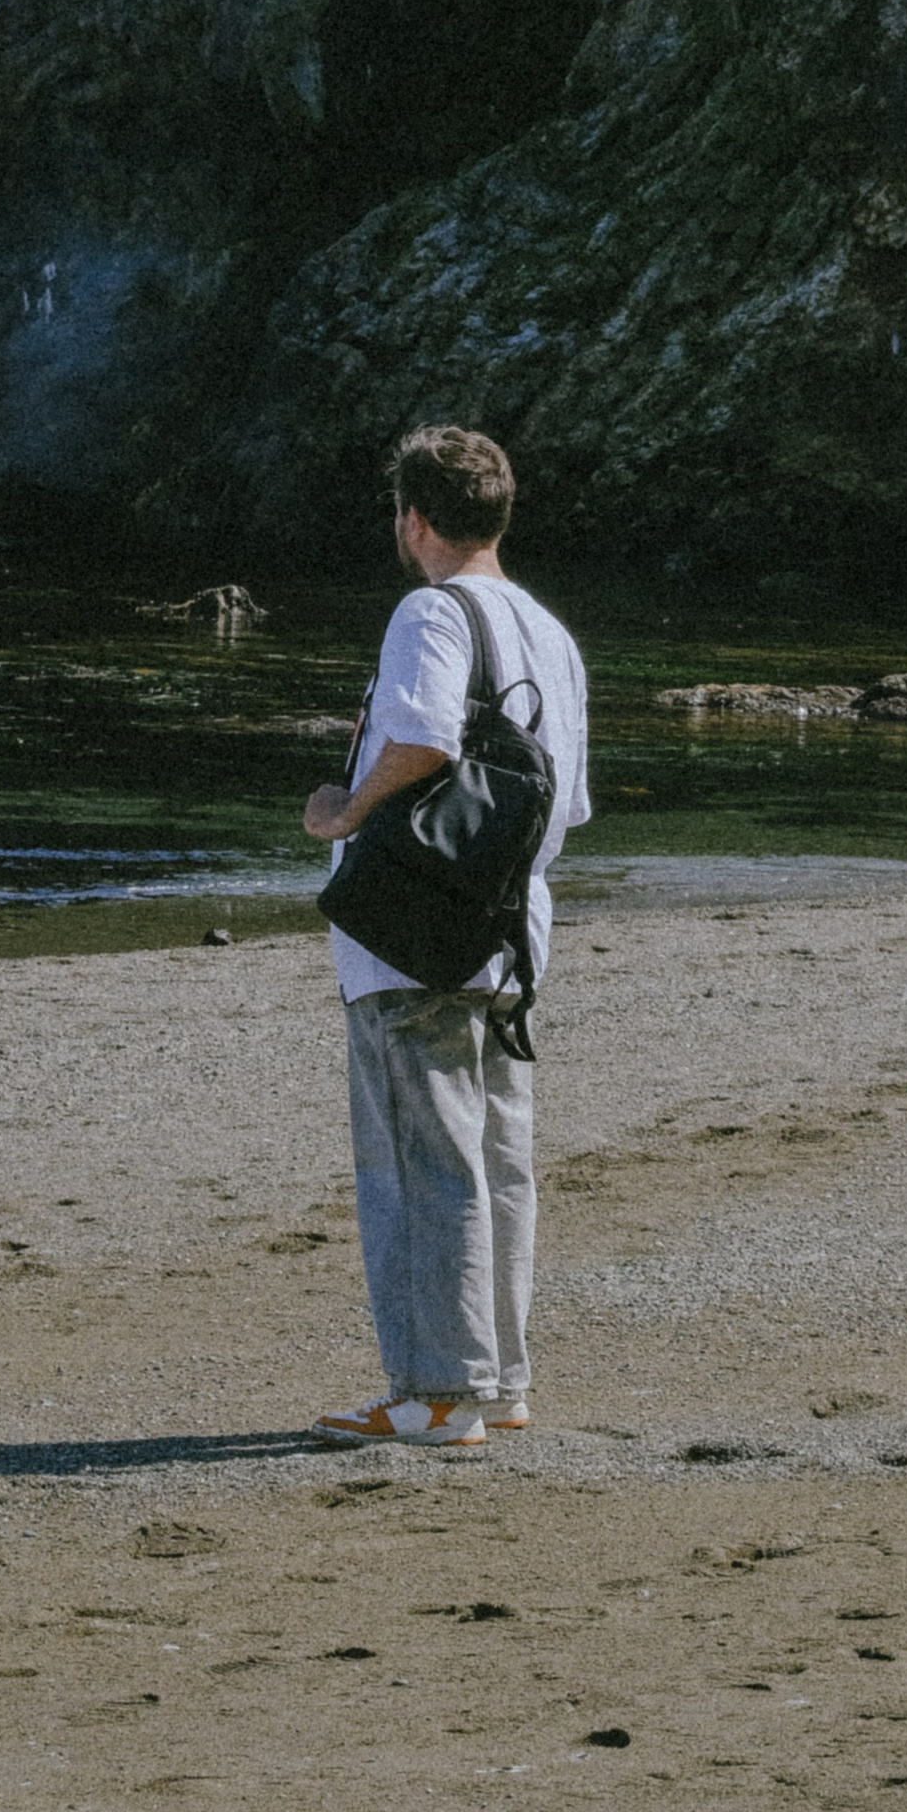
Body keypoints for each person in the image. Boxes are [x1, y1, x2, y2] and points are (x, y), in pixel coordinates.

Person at [300, 422, 591, 1447]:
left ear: (413, 520)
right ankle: (499, 1382)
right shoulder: (547, 632)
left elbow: (422, 736)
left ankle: (436, 1390)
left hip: (414, 931)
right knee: (496, 1159)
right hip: (512, 929)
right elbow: (569, 804)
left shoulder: (429, 610)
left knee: (421, 1160)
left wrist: (343, 811)